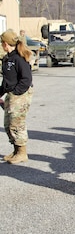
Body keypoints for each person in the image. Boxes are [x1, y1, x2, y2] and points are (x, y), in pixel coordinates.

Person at [0, 29, 34, 164]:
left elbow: (26, 79)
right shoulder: (7, 58)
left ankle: (22, 153)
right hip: (12, 94)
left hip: (21, 94)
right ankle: (15, 151)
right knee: (8, 124)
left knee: (17, 123)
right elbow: (6, 81)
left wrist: (16, 93)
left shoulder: (19, 58)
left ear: (5, 43)